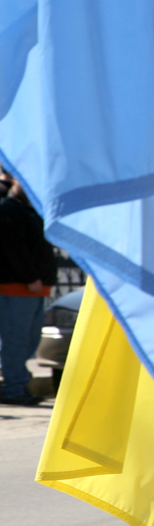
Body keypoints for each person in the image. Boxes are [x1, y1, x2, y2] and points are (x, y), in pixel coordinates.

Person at [0, 170, 56, 406]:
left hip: (34, 289)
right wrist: (31, 277)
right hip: (18, 287)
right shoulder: (9, 209)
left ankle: (17, 384)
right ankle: (13, 389)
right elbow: (14, 250)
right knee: (17, 341)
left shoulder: (30, 210)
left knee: (29, 342)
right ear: (15, 181)